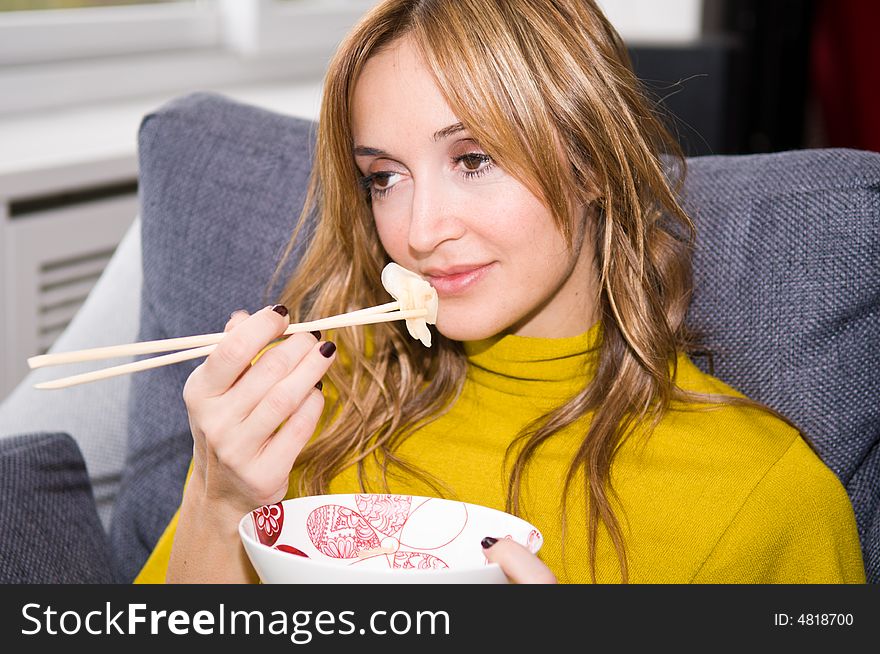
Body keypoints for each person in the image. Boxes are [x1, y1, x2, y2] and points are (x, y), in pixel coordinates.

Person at [135, 0, 865, 584]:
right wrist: (220, 497)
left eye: (474, 159)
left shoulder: (765, 497)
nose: (420, 231)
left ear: (589, 161)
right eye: (384, 177)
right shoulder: (304, 418)